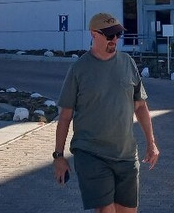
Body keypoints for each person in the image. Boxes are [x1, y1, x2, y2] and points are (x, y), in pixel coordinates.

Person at [53, 12, 159, 213]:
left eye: (118, 34)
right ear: (94, 34)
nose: (115, 40)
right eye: (110, 35)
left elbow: (140, 106)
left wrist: (151, 144)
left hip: (126, 155)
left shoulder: (127, 62)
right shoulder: (79, 69)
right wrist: (58, 156)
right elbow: (65, 116)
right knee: (106, 210)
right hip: (91, 153)